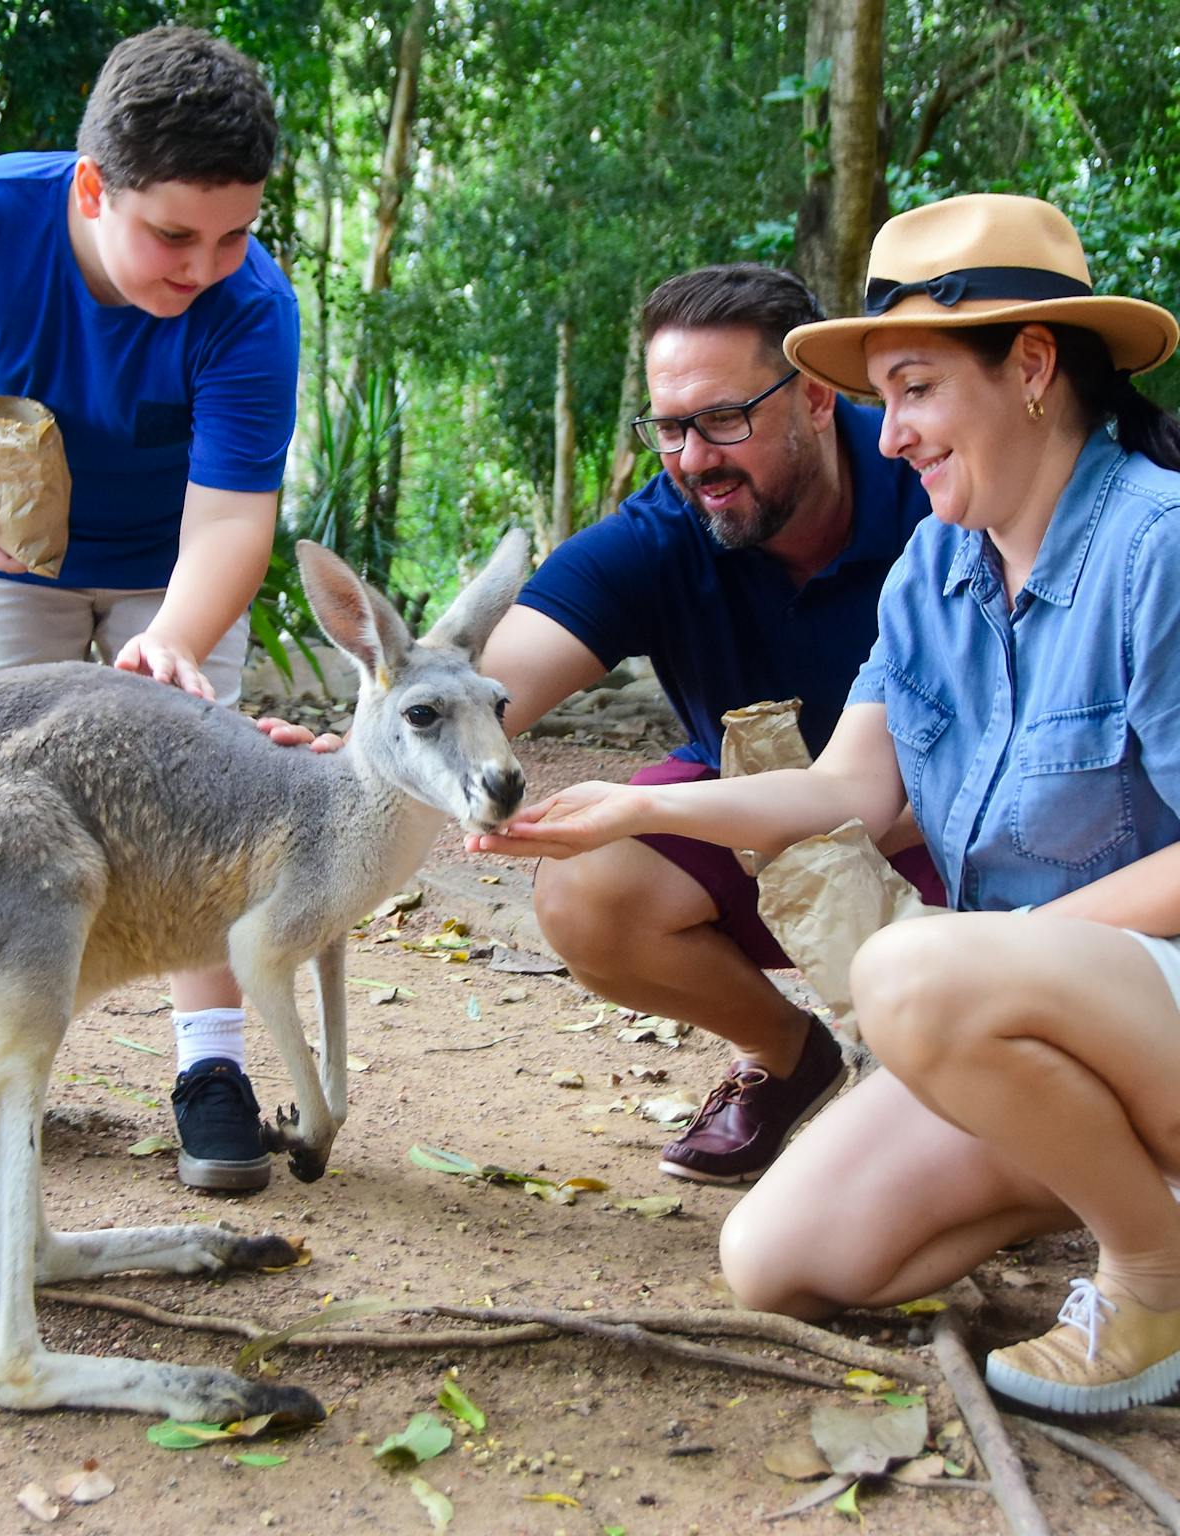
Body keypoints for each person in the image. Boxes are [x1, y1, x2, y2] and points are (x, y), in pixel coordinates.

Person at [485, 192, 1180, 1415]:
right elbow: (851, 788)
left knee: (909, 976)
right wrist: (636, 813)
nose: (893, 433)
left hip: (1137, 1000)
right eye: (885, 399)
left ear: (1028, 366)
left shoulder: (1156, 546)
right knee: (778, 1258)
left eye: (913, 389)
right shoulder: (938, 567)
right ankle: (1129, 1182)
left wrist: (990, 959)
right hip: (1028, 1021)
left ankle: (1151, 1277)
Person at [270, 263, 939, 1185]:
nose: (694, 456)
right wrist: (378, 746)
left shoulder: (932, 484)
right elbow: (482, 683)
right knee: (586, 888)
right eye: (669, 428)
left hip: (938, 819)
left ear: (816, 398)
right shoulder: (668, 529)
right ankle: (786, 1057)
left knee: (950, 1068)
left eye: (723, 419)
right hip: (751, 819)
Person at [0, 26, 301, 1191]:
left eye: (233, 233)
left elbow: (231, 522)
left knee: (205, 806)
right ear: (94, 188)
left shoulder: (250, 304)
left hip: (171, 564)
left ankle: (211, 1070)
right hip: (7, 550)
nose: (203, 265)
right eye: (172, 235)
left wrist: (174, 642)